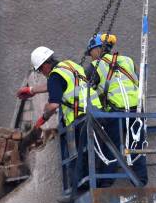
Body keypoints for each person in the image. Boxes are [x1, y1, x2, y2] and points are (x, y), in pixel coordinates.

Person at [17, 46, 103, 191]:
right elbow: (56, 85)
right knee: (94, 151)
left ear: (45, 65)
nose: (41, 73)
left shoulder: (54, 76)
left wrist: (43, 117)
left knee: (77, 157)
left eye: (39, 70)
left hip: (80, 117)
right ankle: (92, 184)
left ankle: (79, 190)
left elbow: (53, 105)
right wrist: (32, 90)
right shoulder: (69, 65)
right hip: (97, 112)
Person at [83, 33, 148, 186]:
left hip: (115, 112)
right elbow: (134, 82)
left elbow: (84, 90)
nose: (90, 57)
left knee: (110, 146)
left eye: (90, 52)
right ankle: (141, 180)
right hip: (136, 111)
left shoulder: (95, 66)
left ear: (97, 49)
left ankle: (106, 182)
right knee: (136, 146)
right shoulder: (127, 61)